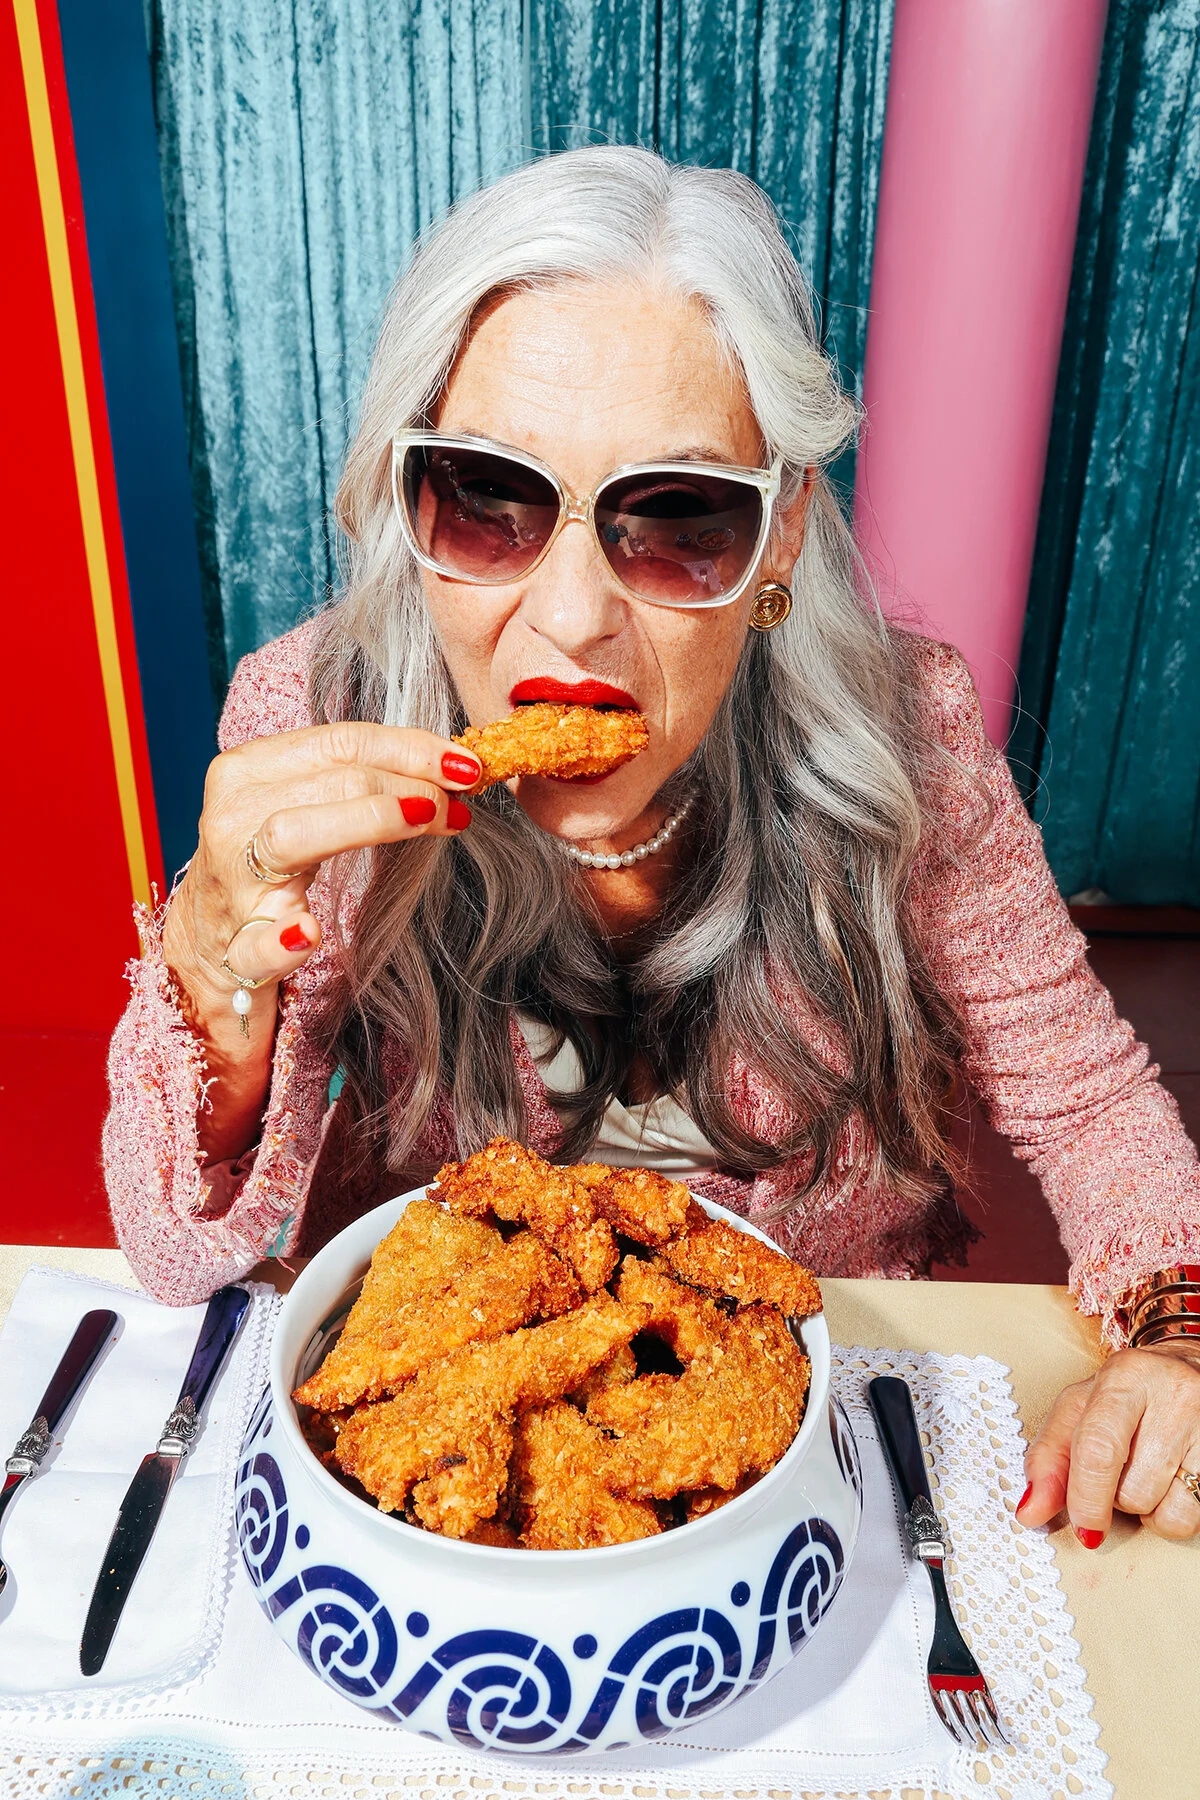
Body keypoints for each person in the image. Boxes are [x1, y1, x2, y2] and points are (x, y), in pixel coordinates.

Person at [105, 146, 1200, 1544]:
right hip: (445, 1475)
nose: (571, 620)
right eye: (486, 500)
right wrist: (211, 976)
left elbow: (1090, 1103)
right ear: (404, 497)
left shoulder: (909, 733)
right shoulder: (315, 713)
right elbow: (170, 1247)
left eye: (677, 519)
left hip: (814, 1446)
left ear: (782, 535)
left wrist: (1181, 1339)